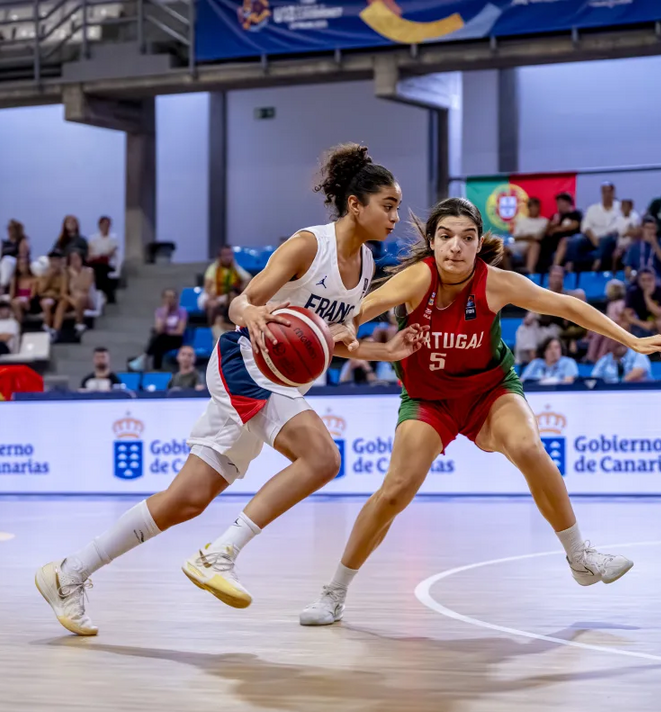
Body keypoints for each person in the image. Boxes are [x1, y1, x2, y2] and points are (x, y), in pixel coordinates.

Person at [36, 143, 427, 636]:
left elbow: (326, 344)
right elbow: (244, 303)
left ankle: (68, 575)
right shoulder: (310, 245)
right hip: (244, 363)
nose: (395, 216)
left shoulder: (366, 267)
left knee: (187, 499)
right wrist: (252, 312)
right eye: (388, 205)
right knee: (322, 458)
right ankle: (219, 553)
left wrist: (383, 352)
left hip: (277, 379)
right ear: (356, 204)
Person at [298, 197, 661, 627]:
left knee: (528, 447)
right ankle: (335, 592)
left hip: (490, 392)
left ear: (479, 244)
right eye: (445, 237)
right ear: (433, 243)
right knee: (396, 490)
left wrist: (634, 340)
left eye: (467, 237)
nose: (456, 246)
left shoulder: (495, 283)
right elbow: (363, 310)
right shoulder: (416, 280)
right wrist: (349, 327)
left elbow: (567, 306)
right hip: (429, 400)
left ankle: (580, 557)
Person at [128, 289, 189, 372]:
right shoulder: (160, 311)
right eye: (167, 297)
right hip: (163, 339)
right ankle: (156, 369)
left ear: (176, 299)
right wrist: (165, 313)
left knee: (158, 338)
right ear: (163, 299)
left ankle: (145, 358)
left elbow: (180, 331)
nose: (169, 300)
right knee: (158, 341)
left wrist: (166, 332)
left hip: (176, 340)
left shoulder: (182, 312)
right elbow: (159, 329)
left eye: (172, 297)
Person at [202, 246, 252, 337]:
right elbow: (207, 288)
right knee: (213, 305)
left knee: (236, 298)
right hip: (214, 295)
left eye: (230, 254)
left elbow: (248, 278)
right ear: (220, 256)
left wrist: (240, 289)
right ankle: (211, 328)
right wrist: (212, 296)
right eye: (225, 255)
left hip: (227, 295)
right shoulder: (213, 268)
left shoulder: (235, 268)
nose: (228, 257)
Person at [623, 269, 661, 339]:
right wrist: (643, 324)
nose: (646, 283)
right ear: (639, 281)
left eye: (649, 279)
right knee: (623, 324)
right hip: (641, 324)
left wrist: (647, 297)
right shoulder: (633, 292)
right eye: (643, 280)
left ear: (654, 280)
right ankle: (620, 349)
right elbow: (627, 316)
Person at [58, 249, 94, 335]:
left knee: (81, 298)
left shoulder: (88, 271)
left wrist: (76, 276)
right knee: (63, 303)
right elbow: (63, 293)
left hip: (86, 298)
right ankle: (56, 330)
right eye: (72, 259)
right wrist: (72, 301)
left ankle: (79, 323)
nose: (75, 261)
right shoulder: (67, 273)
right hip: (73, 298)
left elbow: (86, 287)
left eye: (77, 258)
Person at [509, 197, 548, 273]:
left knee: (535, 245)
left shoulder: (544, 221)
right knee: (501, 249)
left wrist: (528, 238)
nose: (534, 209)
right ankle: (509, 273)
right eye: (532, 206)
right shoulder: (521, 220)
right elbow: (515, 238)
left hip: (532, 245)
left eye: (536, 207)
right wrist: (529, 237)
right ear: (529, 208)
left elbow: (539, 237)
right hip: (518, 245)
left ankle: (530, 271)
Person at [36, 251, 69, 339]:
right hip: (48, 298)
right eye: (52, 260)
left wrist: (53, 294)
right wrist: (49, 277)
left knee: (63, 303)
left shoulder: (64, 274)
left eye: (56, 260)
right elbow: (40, 291)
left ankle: (55, 330)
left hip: (60, 298)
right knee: (46, 303)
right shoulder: (45, 273)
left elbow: (63, 292)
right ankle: (46, 327)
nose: (54, 263)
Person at [87, 216, 119, 303]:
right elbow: (90, 251)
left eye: (107, 224)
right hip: (95, 262)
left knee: (100, 271)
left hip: (107, 263)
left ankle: (107, 294)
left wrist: (99, 254)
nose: (105, 226)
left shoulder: (113, 238)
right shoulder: (93, 238)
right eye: (103, 224)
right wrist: (97, 255)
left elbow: (111, 252)